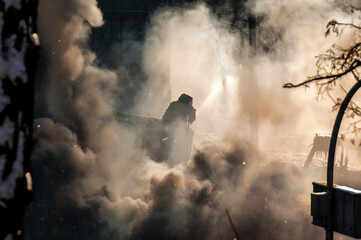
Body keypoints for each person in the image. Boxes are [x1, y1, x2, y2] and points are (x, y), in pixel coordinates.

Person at [160, 94, 196, 166]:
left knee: (189, 134)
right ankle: (186, 157)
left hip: (171, 127)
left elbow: (165, 117)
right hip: (173, 128)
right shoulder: (187, 108)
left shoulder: (173, 104)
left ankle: (185, 156)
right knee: (189, 134)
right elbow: (192, 119)